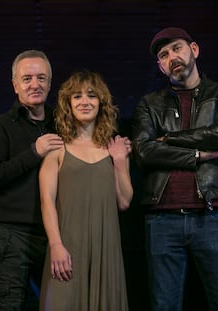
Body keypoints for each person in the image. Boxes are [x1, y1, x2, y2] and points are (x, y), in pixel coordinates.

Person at [132, 27, 218, 310]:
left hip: (214, 215)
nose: (172, 57)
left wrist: (168, 138)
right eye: (164, 55)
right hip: (162, 220)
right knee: (164, 305)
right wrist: (196, 154)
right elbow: (144, 151)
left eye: (177, 49)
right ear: (159, 65)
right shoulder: (150, 104)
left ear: (194, 50)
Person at [0, 49, 64, 311]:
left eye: (41, 78)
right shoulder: (2, 125)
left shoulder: (62, 125)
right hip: (9, 235)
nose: (34, 84)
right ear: (15, 85)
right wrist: (33, 153)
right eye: (27, 79)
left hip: (53, 236)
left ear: (50, 82)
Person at [38, 70, 133, 311]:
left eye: (91, 95)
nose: (84, 101)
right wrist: (56, 245)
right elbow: (46, 201)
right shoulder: (57, 150)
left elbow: (124, 201)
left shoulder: (113, 149)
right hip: (67, 247)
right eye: (77, 96)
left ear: (101, 102)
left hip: (105, 249)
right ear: (68, 104)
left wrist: (120, 161)